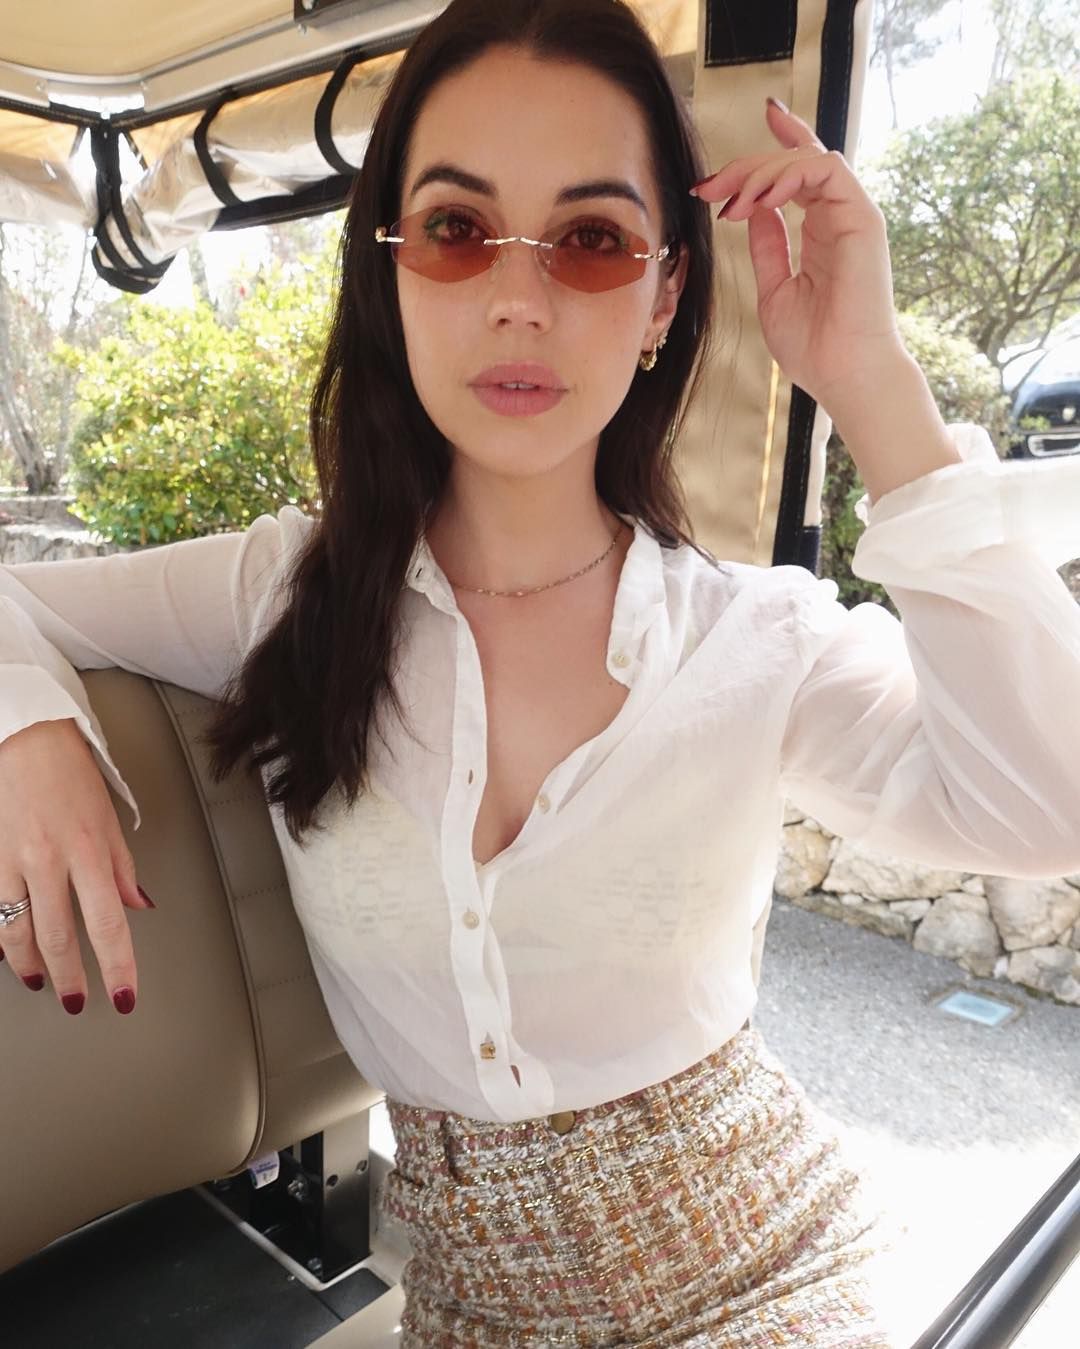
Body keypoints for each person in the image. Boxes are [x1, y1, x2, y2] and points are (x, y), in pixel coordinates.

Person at [2, 0, 1079, 1343]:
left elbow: (1049, 805)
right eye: (456, 228)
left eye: (592, 240)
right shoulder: (282, 592)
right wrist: (33, 735)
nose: (518, 298)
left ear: (665, 293)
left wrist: (872, 382)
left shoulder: (756, 637)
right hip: (475, 1303)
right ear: (392, 271)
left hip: (774, 1265)